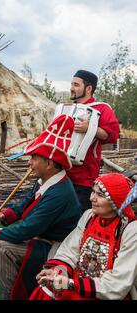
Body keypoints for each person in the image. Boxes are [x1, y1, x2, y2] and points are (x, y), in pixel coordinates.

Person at [0, 114, 81, 300]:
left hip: (52, 245)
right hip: (40, 235)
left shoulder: (60, 193)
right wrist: (3, 216)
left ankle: (12, 293)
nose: (29, 162)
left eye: (34, 157)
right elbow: (24, 205)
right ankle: (11, 278)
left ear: (49, 163)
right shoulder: (45, 180)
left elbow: (28, 229)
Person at [30, 173, 137, 300]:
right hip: (79, 283)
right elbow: (69, 251)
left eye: (100, 195)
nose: (92, 198)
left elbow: (117, 284)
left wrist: (70, 284)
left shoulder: (130, 230)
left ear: (116, 200)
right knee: (46, 290)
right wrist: (58, 272)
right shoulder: (89, 217)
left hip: (104, 292)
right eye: (93, 192)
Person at [67, 70, 120, 213]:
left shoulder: (102, 108)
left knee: (80, 216)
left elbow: (113, 135)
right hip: (62, 173)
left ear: (88, 88)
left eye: (76, 85)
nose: (71, 88)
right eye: (71, 84)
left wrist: (90, 128)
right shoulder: (67, 109)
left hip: (84, 176)